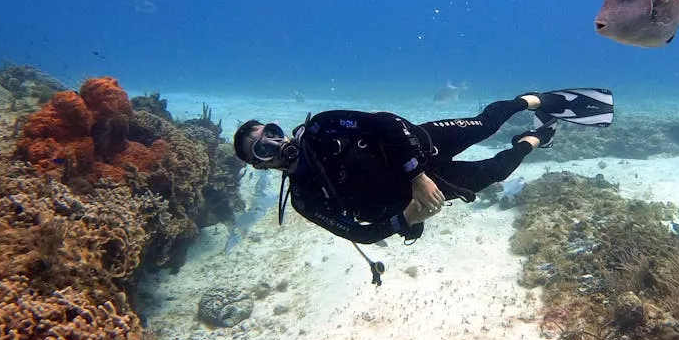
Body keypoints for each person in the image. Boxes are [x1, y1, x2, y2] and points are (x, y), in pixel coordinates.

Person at [232, 89, 613, 282]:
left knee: (485, 124)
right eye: (262, 149)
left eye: (273, 133)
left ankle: (533, 100)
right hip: (418, 196)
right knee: (495, 172)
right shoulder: (304, 199)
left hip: (421, 146)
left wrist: (416, 174)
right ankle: (535, 140)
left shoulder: (323, 125)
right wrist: (408, 217)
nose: (276, 144)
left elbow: (384, 121)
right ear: (259, 165)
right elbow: (360, 235)